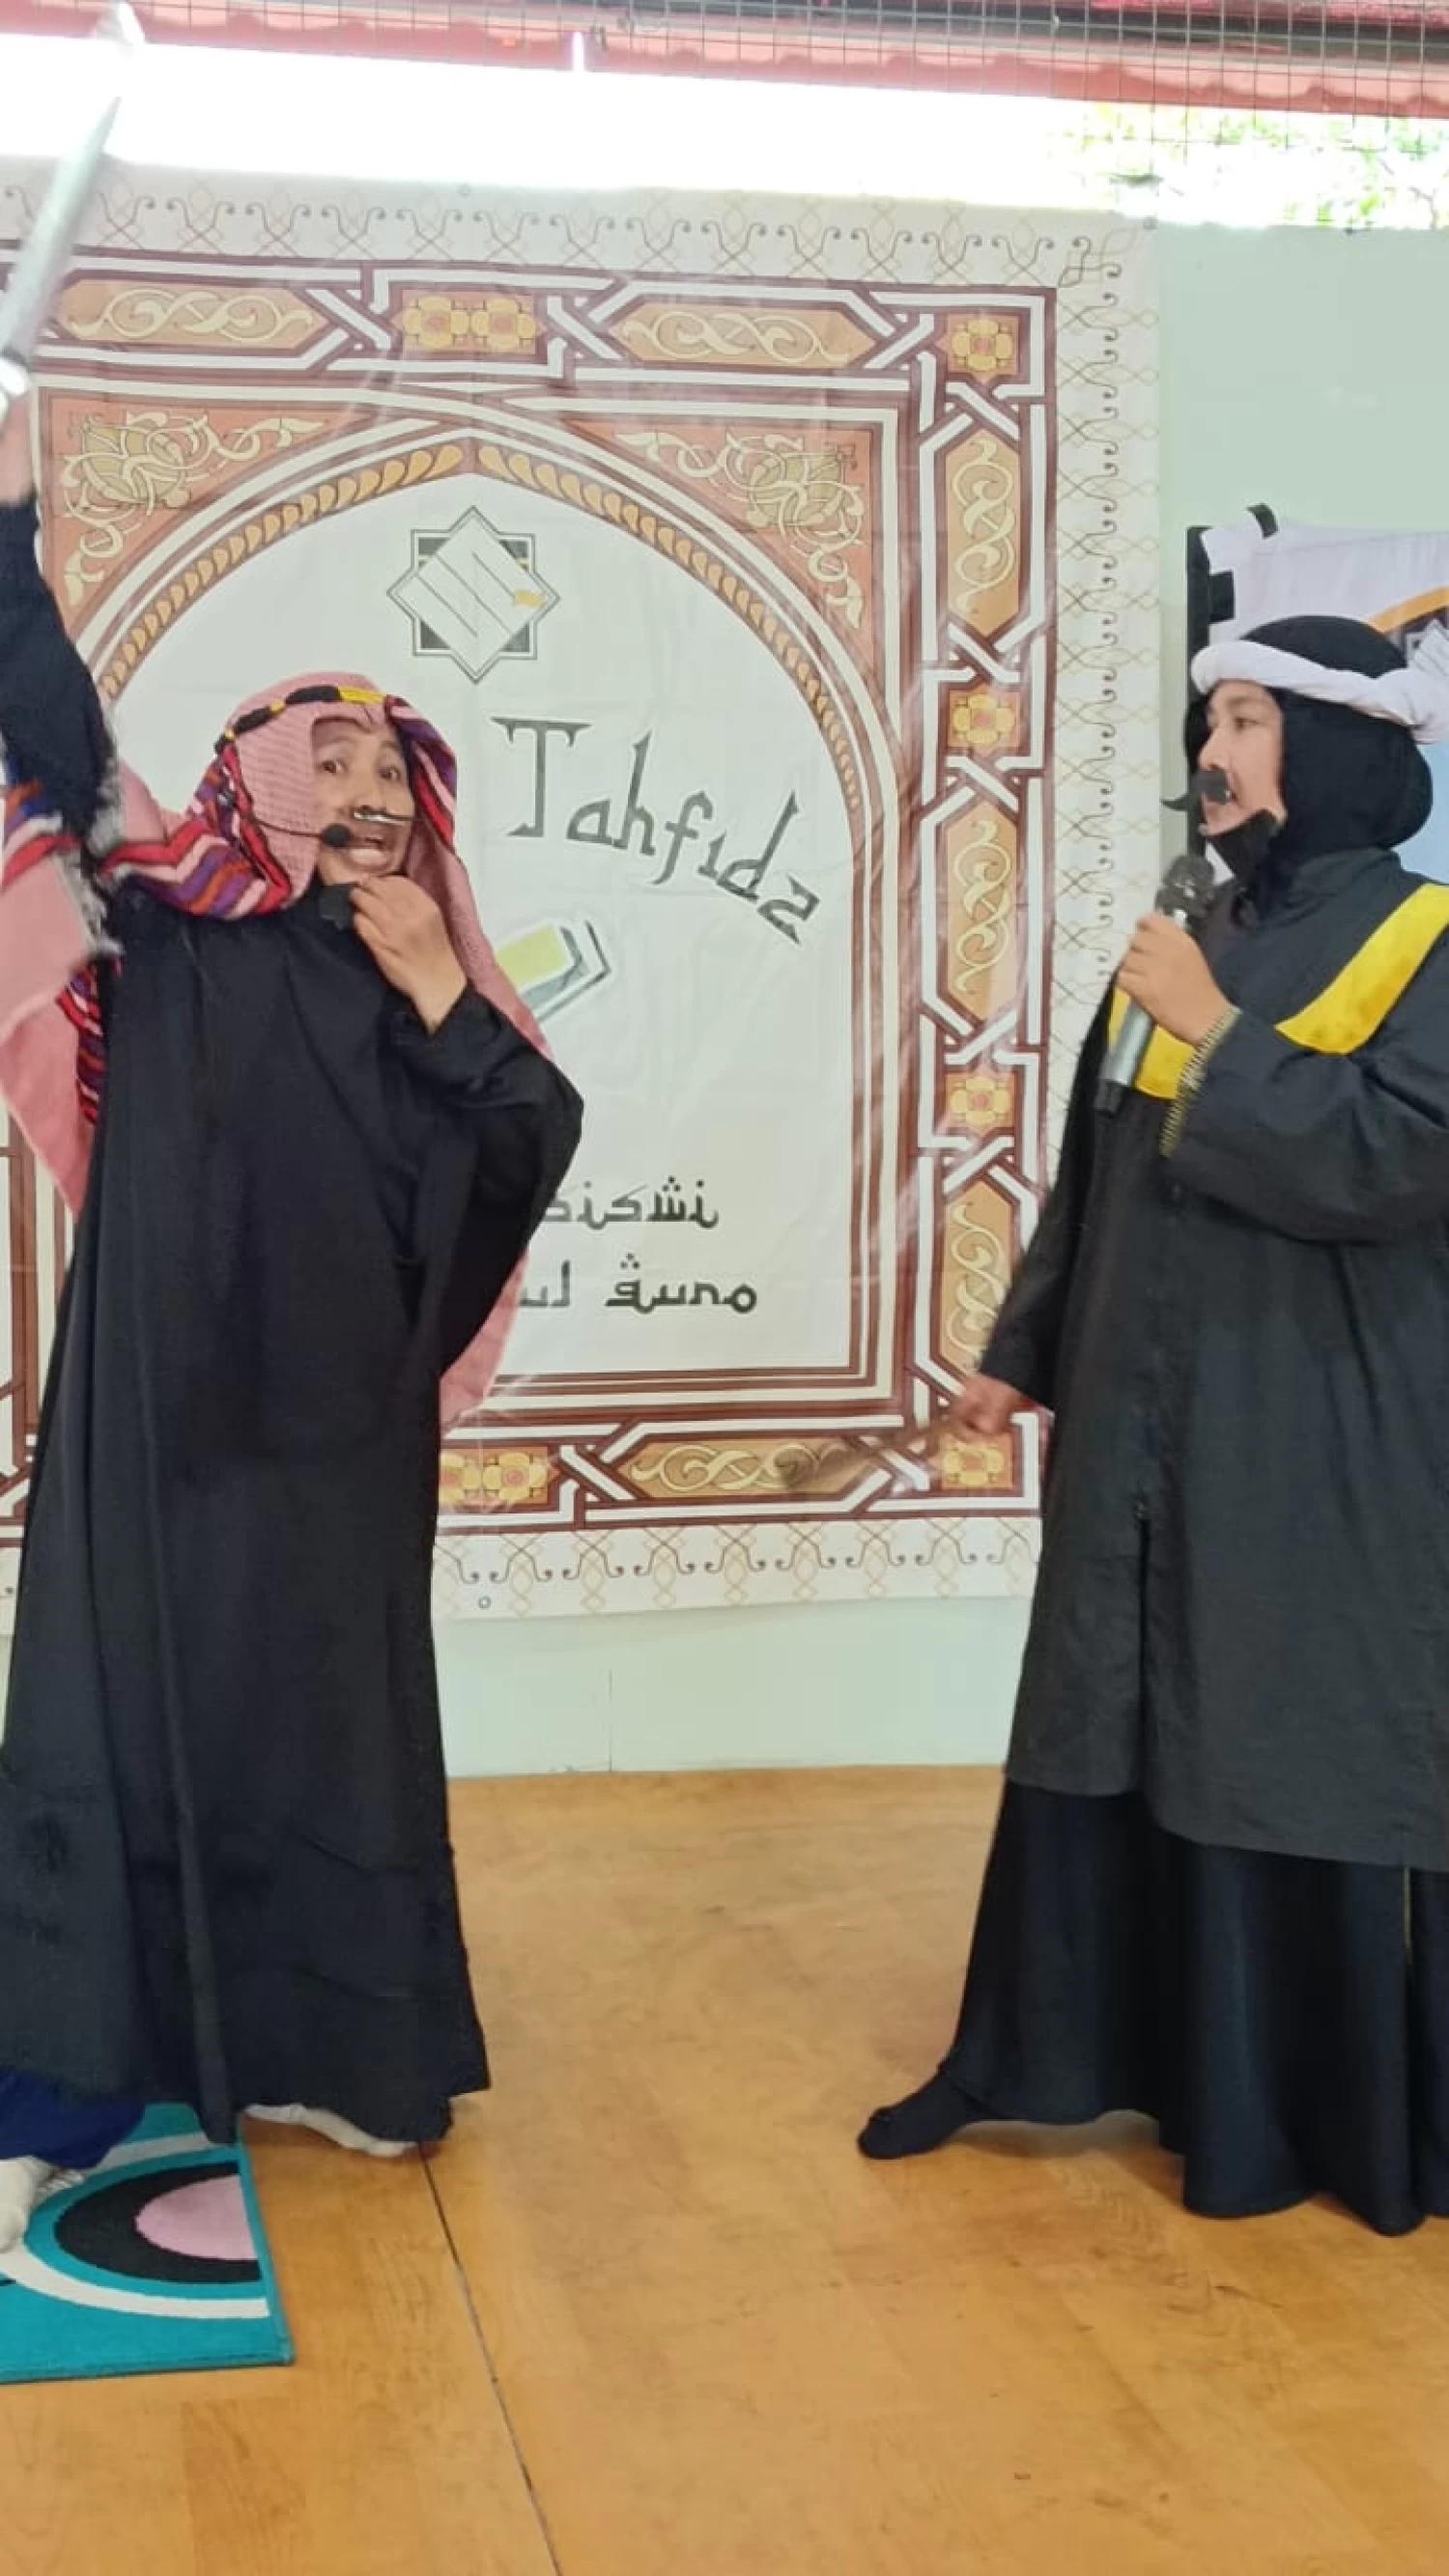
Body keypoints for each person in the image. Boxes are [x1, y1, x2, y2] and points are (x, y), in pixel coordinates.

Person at [0, 387, 582, 2246]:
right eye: (330, 760)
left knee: (328, 1726)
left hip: (333, 1444)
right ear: (253, 781)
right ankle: (82, 2068)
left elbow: (529, 1144)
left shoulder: (434, 984)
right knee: (117, 1712)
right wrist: (9, 534)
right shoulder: (166, 930)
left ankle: (339, 2048)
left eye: (391, 769)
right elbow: (53, 735)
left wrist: (444, 1002)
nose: (367, 793)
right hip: (156, 1425)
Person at [859, 612, 1449, 2236]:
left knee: (1268, 1735)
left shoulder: (1425, 940)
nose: (1214, 754)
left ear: (1340, 748)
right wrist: (1028, 1345)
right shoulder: (1194, 930)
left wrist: (1217, 1035)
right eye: (1213, 722)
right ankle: (1038, 2053)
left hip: (1308, 1427)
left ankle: (1279, 2111)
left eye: (1249, 720)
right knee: (1102, 1717)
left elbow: (1401, 1156)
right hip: (1137, 1416)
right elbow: (1101, 1163)